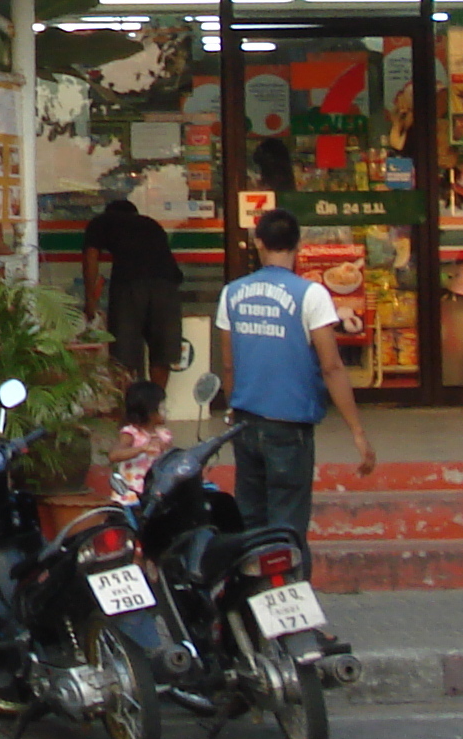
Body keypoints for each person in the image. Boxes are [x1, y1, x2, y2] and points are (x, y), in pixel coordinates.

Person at [211, 208, 377, 537]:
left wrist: (233, 409)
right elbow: (331, 366)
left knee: (251, 520)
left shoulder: (231, 293)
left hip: (245, 421)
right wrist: (356, 430)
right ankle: (288, 585)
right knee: (287, 525)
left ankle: (252, 583)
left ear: (258, 242)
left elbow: (228, 365)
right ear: (297, 244)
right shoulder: (311, 294)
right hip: (289, 426)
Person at [84, 191, 184, 382]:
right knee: (162, 353)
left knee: (124, 353)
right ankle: (154, 405)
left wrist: (90, 300)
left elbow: (91, 259)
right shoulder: (150, 224)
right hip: (166, 285)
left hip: (130, 284)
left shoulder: (101, 221)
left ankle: (128, 406)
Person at [106, 379, 172, 509]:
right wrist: (141, 449)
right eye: (161, 407)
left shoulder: (164, 435)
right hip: (132, 493)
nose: (166, 411)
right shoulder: (131, 434)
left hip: (154, 493)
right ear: (149, 411)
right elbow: (114, 455)